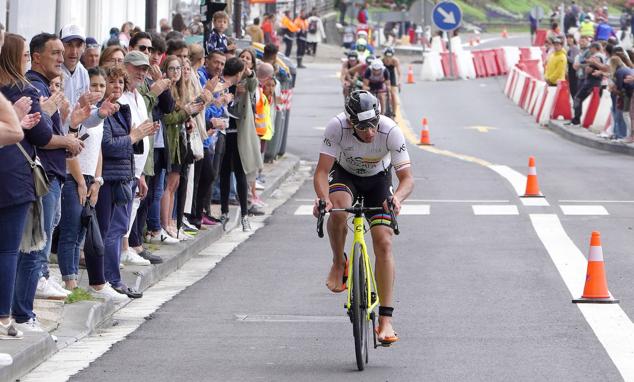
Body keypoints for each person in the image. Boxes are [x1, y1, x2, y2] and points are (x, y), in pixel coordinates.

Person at [312, 90, 413, 344]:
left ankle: (386, 320)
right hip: (345, 176)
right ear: (350, 122)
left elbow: (407, 179)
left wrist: (397, 198)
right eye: (362, 126)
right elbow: (322, 172)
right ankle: (338, 262)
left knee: (384, 241)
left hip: (378, 181)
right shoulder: (337, 127)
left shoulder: (390, 131)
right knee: (337, 209)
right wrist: (322, 198)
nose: (369, 132)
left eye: (373, 125)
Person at [56, 67, 127, 302]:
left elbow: (97, 152)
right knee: (70, 231)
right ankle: (70, 280)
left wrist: (96, 181)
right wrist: (79, 182)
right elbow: (71, 149)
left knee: (81, 232)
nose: (97, 90)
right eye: (93, 86)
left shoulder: (99, 114)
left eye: (100, 86)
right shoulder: (78, 113)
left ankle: (74, 279)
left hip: (90, 179)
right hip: (72, 177)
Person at [0, 28, 49, 339]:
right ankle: (6, 318)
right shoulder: (26, 90)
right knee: (8, 251)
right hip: (15, 176)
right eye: (27, 56)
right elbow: (41, 135)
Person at [97, 65, 157, 299]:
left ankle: (112, 279)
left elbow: (132, 146)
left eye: (120, 83)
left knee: (119, 228)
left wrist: (138, 174)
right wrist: (134, 136)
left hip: (125, 176)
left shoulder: (123, 110)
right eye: (111, 83)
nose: (116, 87)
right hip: (109, 178)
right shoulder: (102, 113)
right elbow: (109, 146)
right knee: (109, 231)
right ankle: (109, 279)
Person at [219, 57, 262, 232]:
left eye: (248, 60)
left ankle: (244, 214)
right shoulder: (223, 84)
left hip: (240, 134)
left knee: (240, 173)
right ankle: (223, 211)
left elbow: (253, 84)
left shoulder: (246, 83)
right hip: (223, 133)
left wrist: (249, 73)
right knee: (223, 173)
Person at [570, 42, 606, 126]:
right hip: (594, 81)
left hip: (592, 82)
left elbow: (589, 69)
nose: (589, 50)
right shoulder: (600, 56)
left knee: (577, 98)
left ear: (594, 48)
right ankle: (577, 119)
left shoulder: (597, 57)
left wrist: (584, 66)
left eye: (591, 48)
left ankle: (576, 119)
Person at [382, 47, 400, 116]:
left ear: (392, 56)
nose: (388, 59)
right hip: (384, 77)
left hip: (392, 77)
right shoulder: (381, 61)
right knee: (382, 93)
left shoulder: (395, 61)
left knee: (393, 94)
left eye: (390, 57)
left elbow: (399, 73)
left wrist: (399, 81)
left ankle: (394, 113)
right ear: (384, 56)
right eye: (386, 57)